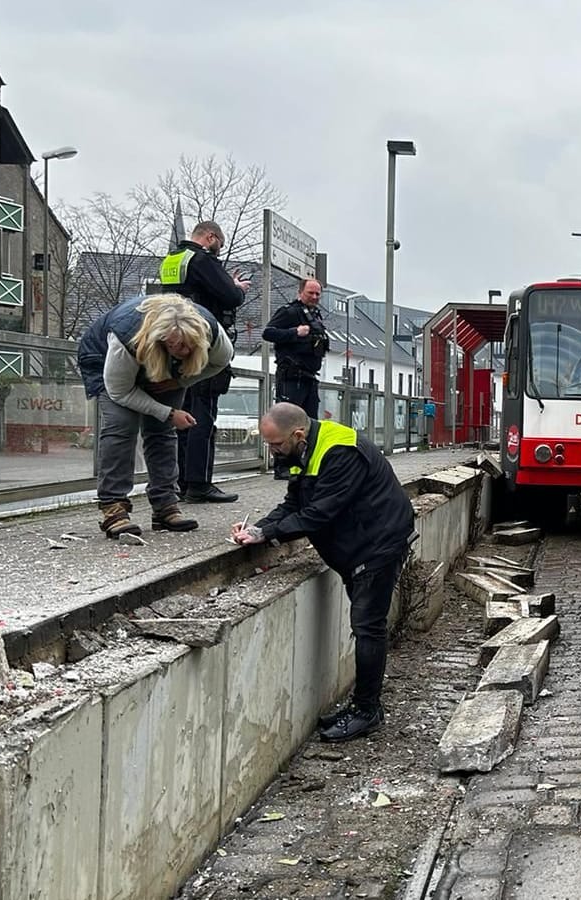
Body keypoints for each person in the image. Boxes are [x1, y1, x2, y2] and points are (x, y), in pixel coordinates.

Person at [232, 402, 415, 741]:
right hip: (360, 542)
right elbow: (294, 503)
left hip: (378, 542)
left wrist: (268, 533)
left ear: (298, 434)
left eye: (275, 445)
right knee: (366, 625)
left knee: (368, 627)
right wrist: (258, 528)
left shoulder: (339, 452)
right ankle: (362, 706)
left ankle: (367, 711)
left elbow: (318, 514)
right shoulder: (303, 452)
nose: (272, 454)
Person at [77, 293, 233, 538]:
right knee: (121, 426)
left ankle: (165, 505)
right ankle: (113, 507)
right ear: (163, 340)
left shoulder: (213, 334)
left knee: (161, 433)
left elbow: (221, 362)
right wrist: (168, 412)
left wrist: (181, 380)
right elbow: (121, 391)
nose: (184, 352)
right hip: (107, 360)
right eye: (177, 346)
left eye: (190, 347)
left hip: (161, 366)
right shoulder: (127, 337)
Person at [160, 220, 250, 504]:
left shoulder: (173, 260)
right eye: (219, 245)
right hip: (202, 345)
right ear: (210, 237)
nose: (218, 251)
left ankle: (182, 483)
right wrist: (237, 287)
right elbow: (231, 297)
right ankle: (199, 484)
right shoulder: (203, 260)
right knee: (203, 416)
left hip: (176, 345)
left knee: (183, 416)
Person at [263, 278, 329, 418]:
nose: (314, 297)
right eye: (310, 293)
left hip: (309, 379)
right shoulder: (289, 312)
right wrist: (294, 332)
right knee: (288, 422)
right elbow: (268, 333)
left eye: (317, 294)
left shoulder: (315, 316)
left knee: (310, 424)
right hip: (291, 379)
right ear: (300, 292)